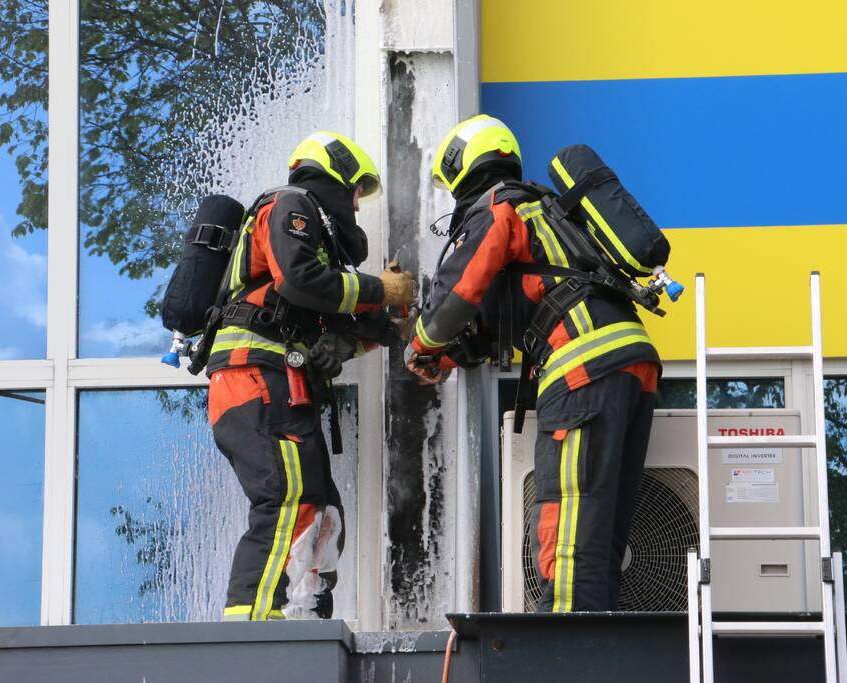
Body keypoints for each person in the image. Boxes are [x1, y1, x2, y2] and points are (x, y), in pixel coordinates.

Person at [405, 115, 661, 612]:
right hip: (632, 360)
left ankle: (559, 653)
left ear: (463, 168)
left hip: (581, 363)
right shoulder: (550, 215)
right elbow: (507, 314)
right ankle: (597, 650)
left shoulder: (499, 206)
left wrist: (422, 344)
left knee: (566, 532)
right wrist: (454, 357)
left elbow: (459, 290)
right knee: (599, 538)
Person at [207, 131, 417, 621]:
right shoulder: (291, 204)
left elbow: (336, 318)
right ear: (337, 176)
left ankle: (306, 623)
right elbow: (300, 281)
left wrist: (395, 324)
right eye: (357, 194)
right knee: (287, 499)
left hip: (279, 384)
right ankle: (254, 633)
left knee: (322, 512)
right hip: (256, 379)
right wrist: (377, 288)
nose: (358, 209)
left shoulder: (317, 245)